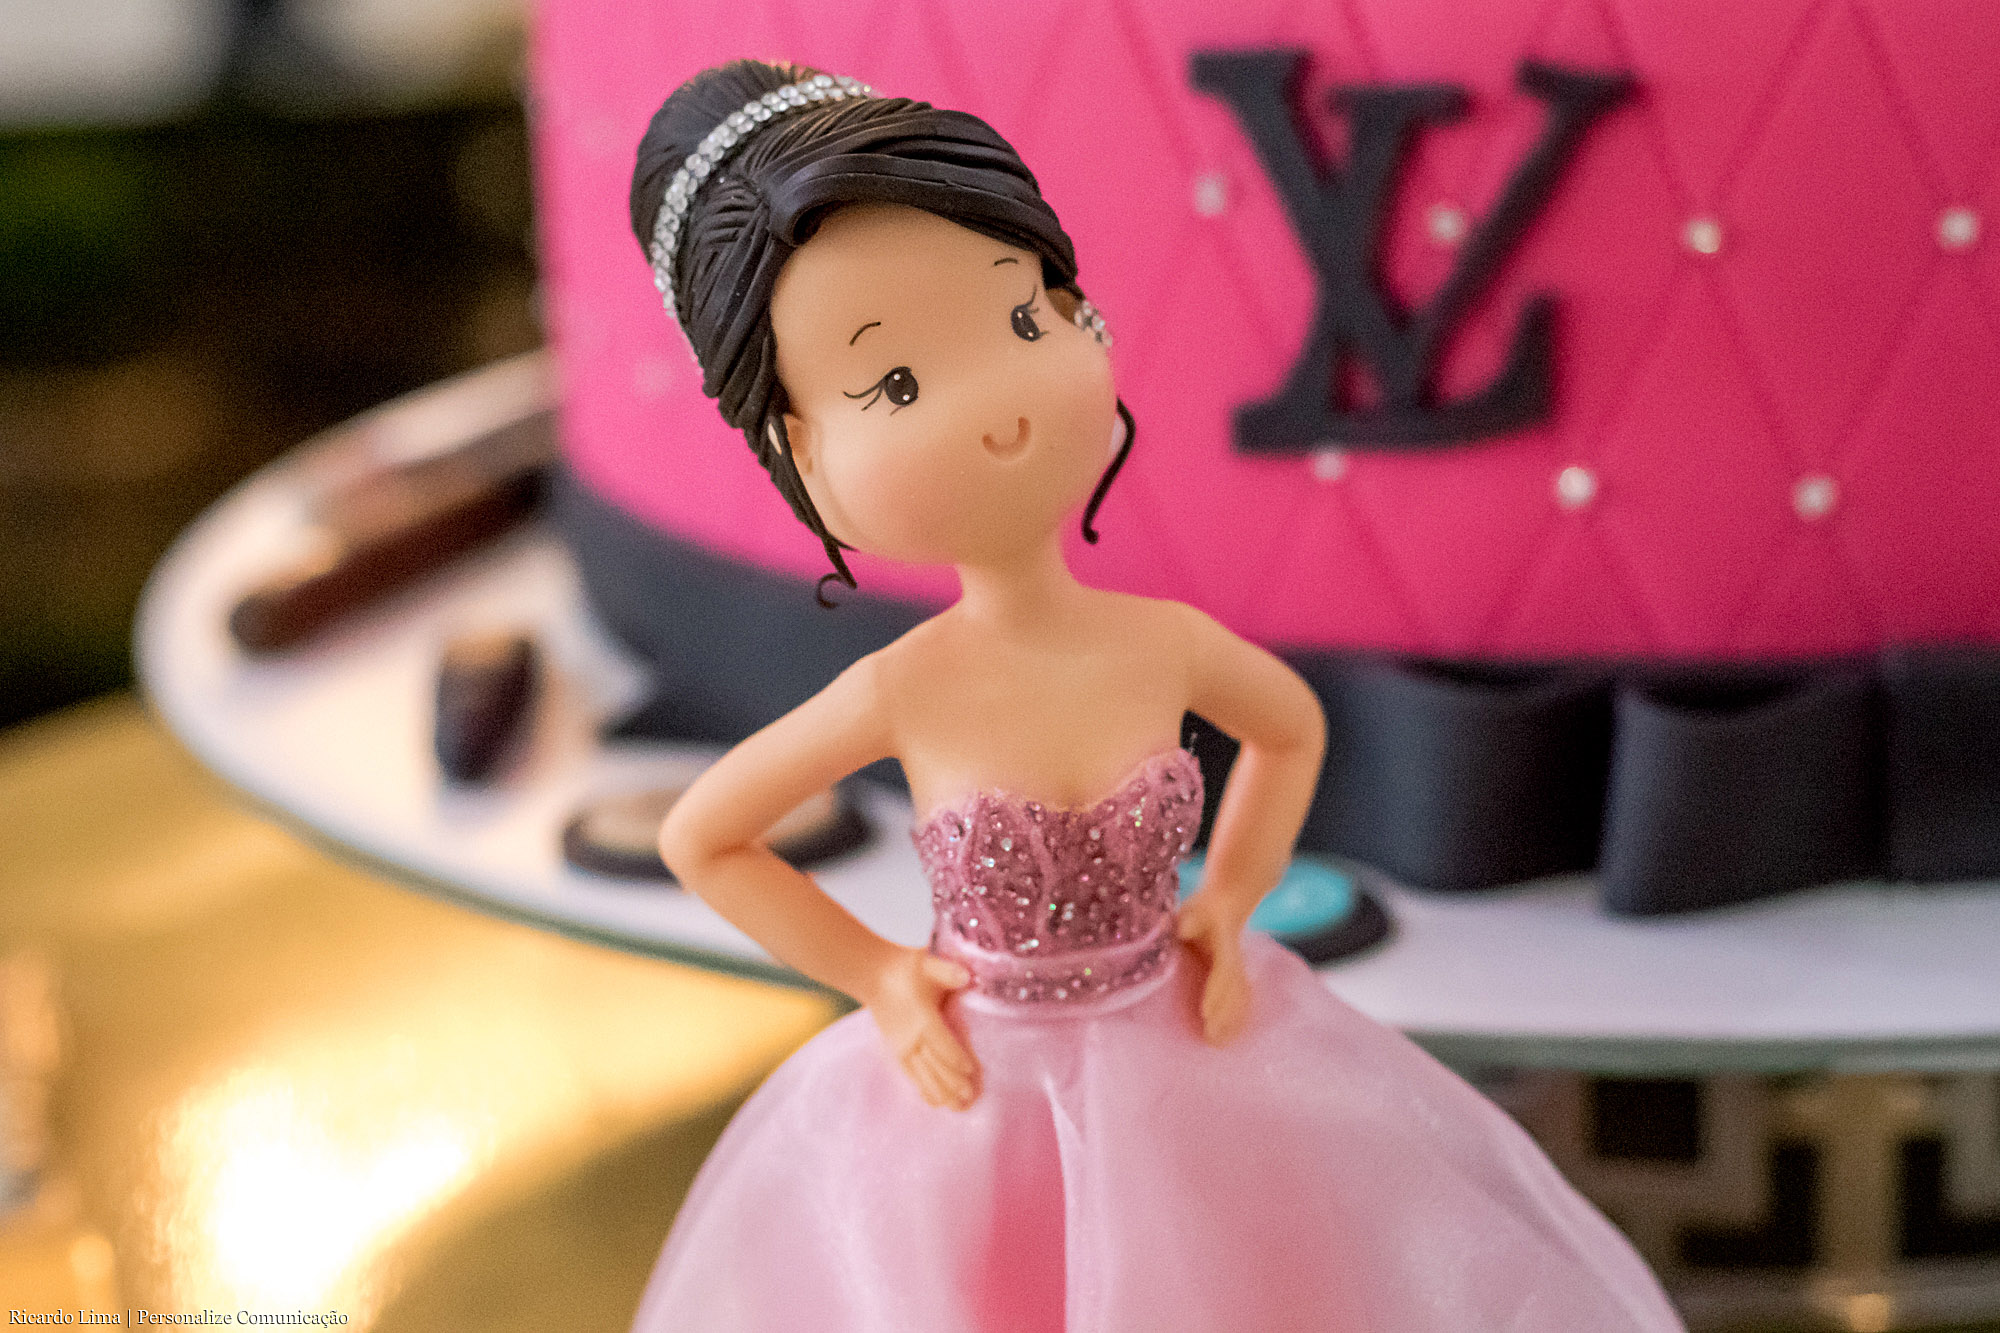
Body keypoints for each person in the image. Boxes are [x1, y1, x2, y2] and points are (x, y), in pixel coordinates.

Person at [629, 57, 1684, 1332]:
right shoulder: (901, 686)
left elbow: (1288, 727)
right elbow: (705, 835)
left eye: (1024, 321)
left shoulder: (1162, 643)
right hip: (984, 1093)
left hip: (1185, 1038)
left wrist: (1229, 900)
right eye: (894, 386)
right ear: (799, 447)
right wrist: (880, 977)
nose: (1000, 405)